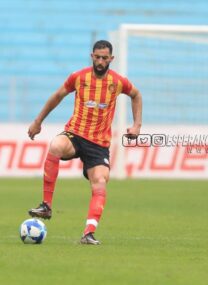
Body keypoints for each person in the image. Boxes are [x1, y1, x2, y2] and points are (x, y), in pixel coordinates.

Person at [27, 40, 142, 245]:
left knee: (100, 181)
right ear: (92, 56)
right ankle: (46, 205)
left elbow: (136, 95)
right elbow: (57, 96)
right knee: (55, 146)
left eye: (104, 58)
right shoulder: (79, 77)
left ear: (111, 59)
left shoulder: (118, 82)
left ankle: (88, 233)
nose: (100, 61)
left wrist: (136, 126)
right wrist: (38, 122)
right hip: (76, 134)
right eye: (97, 57)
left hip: (99, 144)